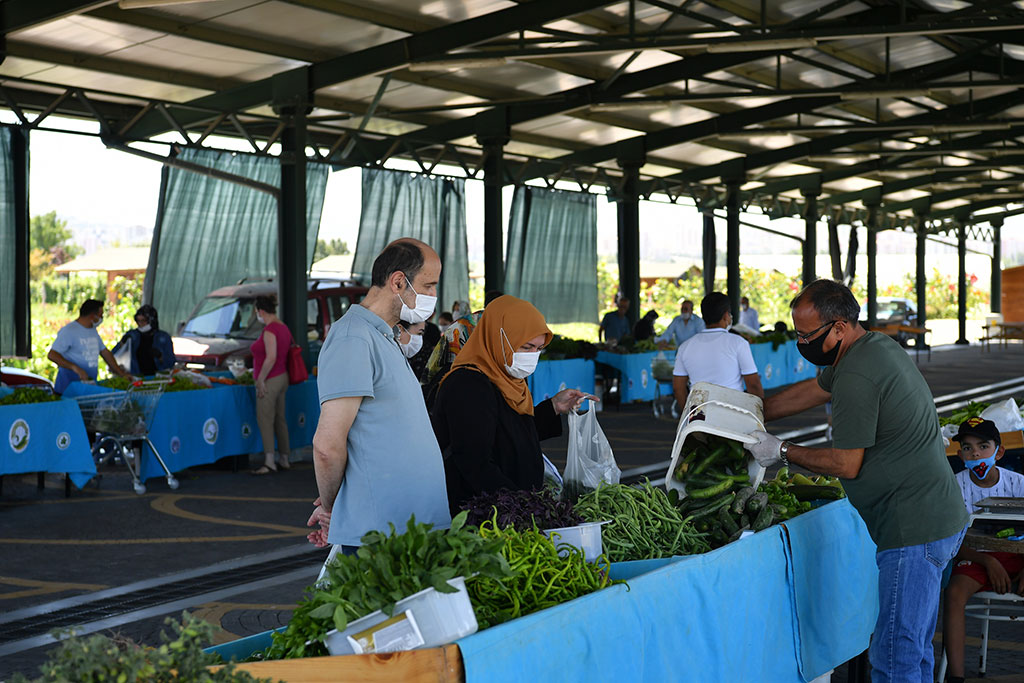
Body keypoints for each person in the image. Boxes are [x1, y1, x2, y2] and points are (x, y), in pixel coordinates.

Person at [748, 279, 968, 683]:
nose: (801, 343)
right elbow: (814, 391)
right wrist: (751, 411)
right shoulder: (872, 346)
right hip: (936, 518)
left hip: (912, 530)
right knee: (913, 649)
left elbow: (846, 464)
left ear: (838, 327)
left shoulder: (856, 376)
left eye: (806, 335)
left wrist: (781, 450)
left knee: (894, 657)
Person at [307, 238, 450, 552]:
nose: (433, 296)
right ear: (398, 282)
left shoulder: (383, 334)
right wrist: (332, 509)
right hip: (383, 537)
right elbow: (327, 446)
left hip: (410, 529)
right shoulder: (352, 338)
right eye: (429, 286)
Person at [431, 295, 593, 514]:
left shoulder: (509, 378)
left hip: (511, 509)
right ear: (498, 338)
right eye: (526, 347)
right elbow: (474, 462)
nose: (532, 356)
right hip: (484, 514)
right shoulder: (468, 384)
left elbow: (511, 435)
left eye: (539, 348)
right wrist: (521, 506)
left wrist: (553, 406)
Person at [942, 417, 1024, 683]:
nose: (975, 453)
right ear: (960, 455)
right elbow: (951, 540)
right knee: (954, 594)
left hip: (1017, 556)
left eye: (983, 446)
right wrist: (988, 562)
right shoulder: (953, 486)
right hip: (974, 557)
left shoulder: (1018, 484)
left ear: (999, 452)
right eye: (967, 448)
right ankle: (956, 677)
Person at [672, 292, 763, 409]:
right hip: (732, 412)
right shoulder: (739, 343)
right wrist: (759, 414)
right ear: (726, 316)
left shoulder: (685, 347)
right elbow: (753, 385)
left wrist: (688, 413)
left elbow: (678, 388)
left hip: (700, 415)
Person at [48, 299, 132, 394]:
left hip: (86, 388)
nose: (102, 318)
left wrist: (121, 374)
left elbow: (105, 352)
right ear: (92, 316)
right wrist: (75, 368)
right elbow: (52, 355)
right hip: (67, 389)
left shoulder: (92, 330)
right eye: (101, 315)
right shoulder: (69, 331)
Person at [249, 296, 293, 475]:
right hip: (282, 377)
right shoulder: (284, 327)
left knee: (265, 419)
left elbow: (271, 357)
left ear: (260, 311)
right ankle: (284, 458)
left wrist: (261, 379)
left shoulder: (270, 330)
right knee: (280, 419)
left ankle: (269, 461)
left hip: (270, 380)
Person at [111, 304, 176, 377]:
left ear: (152, 321)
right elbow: (113, 356)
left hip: (157, 378)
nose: (140, 324)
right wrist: (122, 343)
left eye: (143, 321)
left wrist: (160, 356)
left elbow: (171, 363)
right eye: (138, 321)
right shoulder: (132, 335)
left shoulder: (163, 337)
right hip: (136, 377)